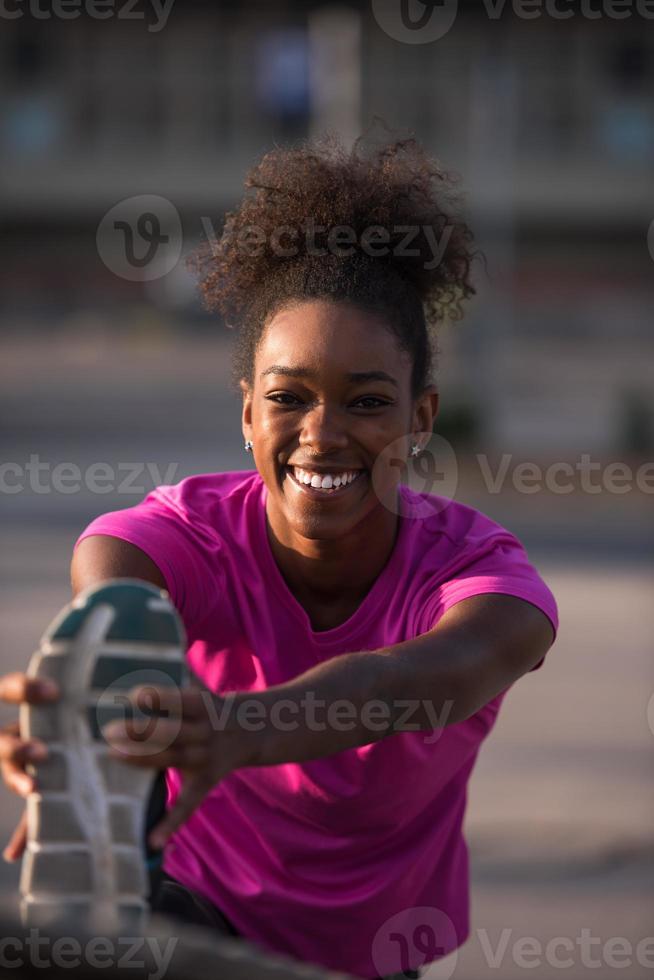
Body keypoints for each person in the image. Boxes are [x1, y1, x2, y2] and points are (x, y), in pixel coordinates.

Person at [0, 134, 558, 980]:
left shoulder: (480, 577)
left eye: (368, 402)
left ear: (421, 415)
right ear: (249, 417)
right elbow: (114, 572)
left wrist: (237, 727)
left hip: (374, 953)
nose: (323, 435)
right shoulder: (194, 530)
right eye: (287, 398)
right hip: (191, 908)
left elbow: (414, 683)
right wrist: (96, 707)